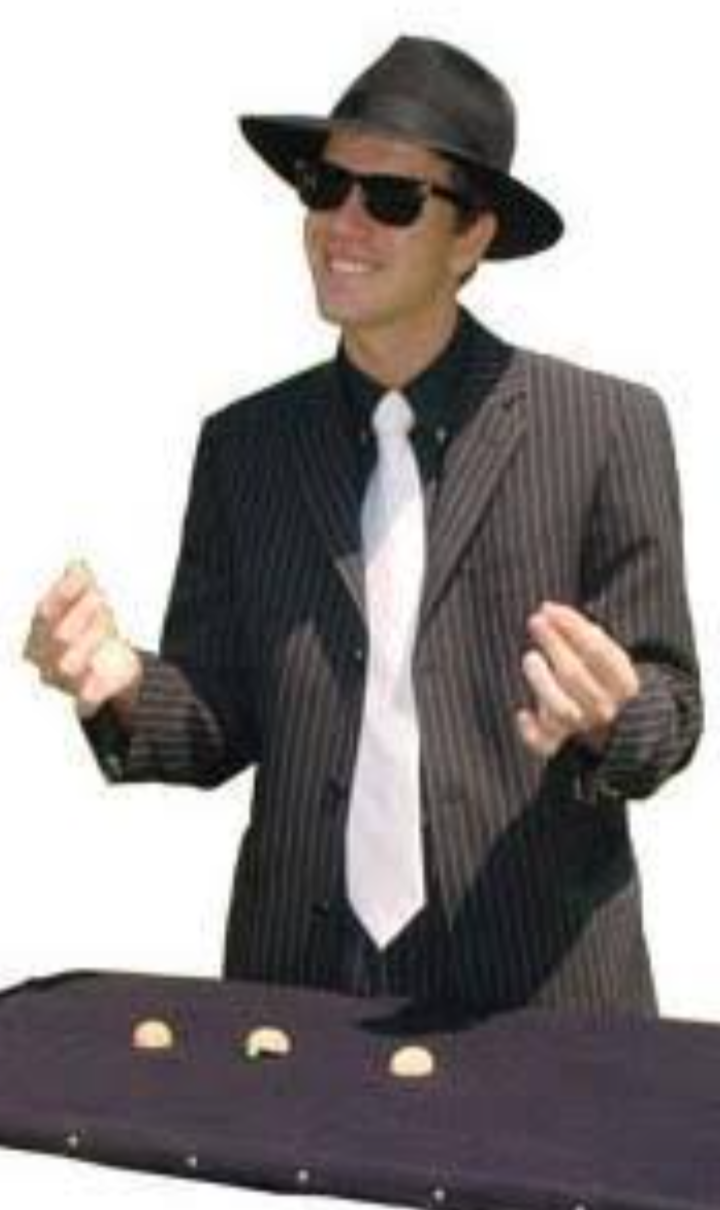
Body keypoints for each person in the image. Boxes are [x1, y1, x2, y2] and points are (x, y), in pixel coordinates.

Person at [24, 35, 702, 1015]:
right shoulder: (245, 445)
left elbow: (672, 706)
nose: (343, 222)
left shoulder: (605, 427)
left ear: (471, 237)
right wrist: (124, 685)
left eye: (390, 198)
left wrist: (613, 718)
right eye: (324, 185)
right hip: (301, 991)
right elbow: (220, 714)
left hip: (538, 994)